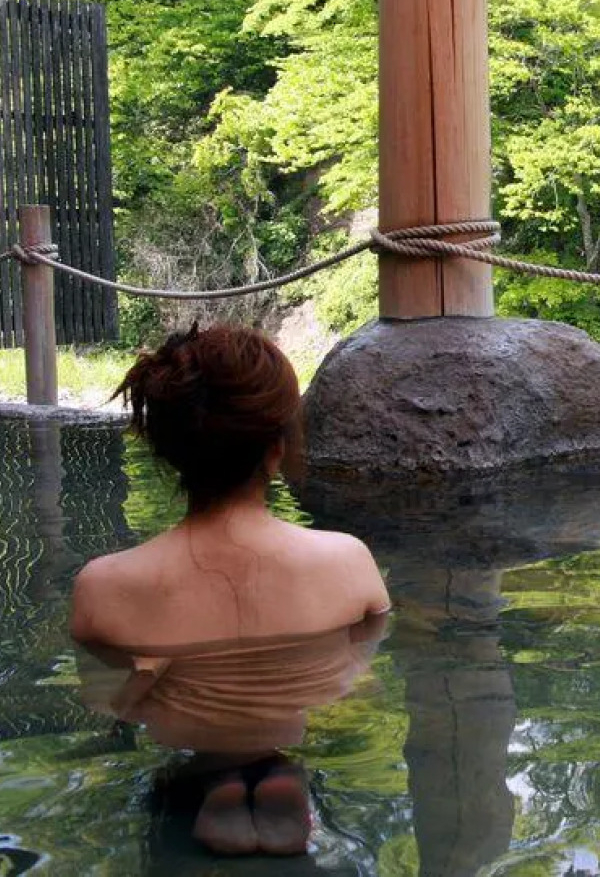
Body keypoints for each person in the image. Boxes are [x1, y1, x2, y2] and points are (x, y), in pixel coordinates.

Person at [71, 323, 391, 857]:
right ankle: (276, 770)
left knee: (167, 737)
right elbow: (358, 673)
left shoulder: (104, 586)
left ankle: (210, 780)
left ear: (165, 450)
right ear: (277, 447)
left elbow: (110, 705)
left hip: (182, 736)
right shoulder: (348, 560)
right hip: (294, 721)